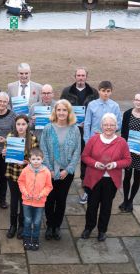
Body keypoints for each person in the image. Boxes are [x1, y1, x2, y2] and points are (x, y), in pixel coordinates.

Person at [81, 113, 131, 241]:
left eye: (112, 125)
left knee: (106, 206)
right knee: (92, 206)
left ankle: (102, 230)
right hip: (94, 178)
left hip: (111, 180)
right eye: (106, 124)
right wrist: (95, 163)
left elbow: (127, 160)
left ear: (116, 126)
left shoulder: (122, 142)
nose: (109, 127)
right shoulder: (94, 139)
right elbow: (85, 157)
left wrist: (115, 164)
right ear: (101, 125)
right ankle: (89, 227)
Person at [40, 99, 81, 240]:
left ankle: (57, 226)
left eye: (64, 110)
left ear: (68, 112)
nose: (61, 113)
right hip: (49, 171)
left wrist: (68, 170)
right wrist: (50, 169)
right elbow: (43, 149)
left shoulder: (75, 129)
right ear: (55, 111)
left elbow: (77, 151)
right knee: (49, 199)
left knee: (61, 199)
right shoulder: (48, 128)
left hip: (66, 173)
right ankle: (49, 225)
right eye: (59, 110)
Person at [61, 67, 99, 205]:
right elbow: (61, 108)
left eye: (83, 75)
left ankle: (85, 183)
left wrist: (87, 123)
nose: (81, 78)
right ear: (75, 76)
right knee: (67, 154)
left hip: (86, 131)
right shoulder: (67, 91)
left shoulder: (94, 92)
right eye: (78, 75)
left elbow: (96, 110)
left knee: (85, 157)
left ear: (86, 77)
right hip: (70, 129)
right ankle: (64, 177)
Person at [82, 81, 122, 205]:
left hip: (109, 140)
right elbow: (87, 122)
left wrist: (110, 133)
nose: (105, 93)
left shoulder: (115, 106)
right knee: (91, 166)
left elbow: (118, 123)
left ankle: (105, 188)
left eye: (108, 91)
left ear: (111, 92)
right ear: (99, 91)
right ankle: (87, 189)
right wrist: (88, 141)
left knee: (105, 163)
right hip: (94, 139)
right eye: (103, 91)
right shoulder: (92, 105)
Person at [3, 115, 38, 239]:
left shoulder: (32, 138)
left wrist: (27, 162)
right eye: (18, 124)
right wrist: (4, 153)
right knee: (13, 199)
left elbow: (36, 158)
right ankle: (13, 225)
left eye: (23, 124)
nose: (21, 127)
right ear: (15, 125)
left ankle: (22, 225)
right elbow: (6, 156)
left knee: (24, 200)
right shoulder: (10, 137)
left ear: (27, 125)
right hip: (12, 173)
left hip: (26, 174)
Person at [18, 148, 53, 251]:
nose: (36, 161)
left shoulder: (46, 172)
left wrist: (41, 195)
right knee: (27, 221)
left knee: (37, 222)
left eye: (38, 159)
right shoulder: (25, 170)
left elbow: (49, 186)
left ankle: (35, 239)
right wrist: (25, 192)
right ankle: (27, 238)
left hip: (40, 202)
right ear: (29, 160)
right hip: (27, 201)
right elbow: (21, 182)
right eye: (33, 159)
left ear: (42, 159)